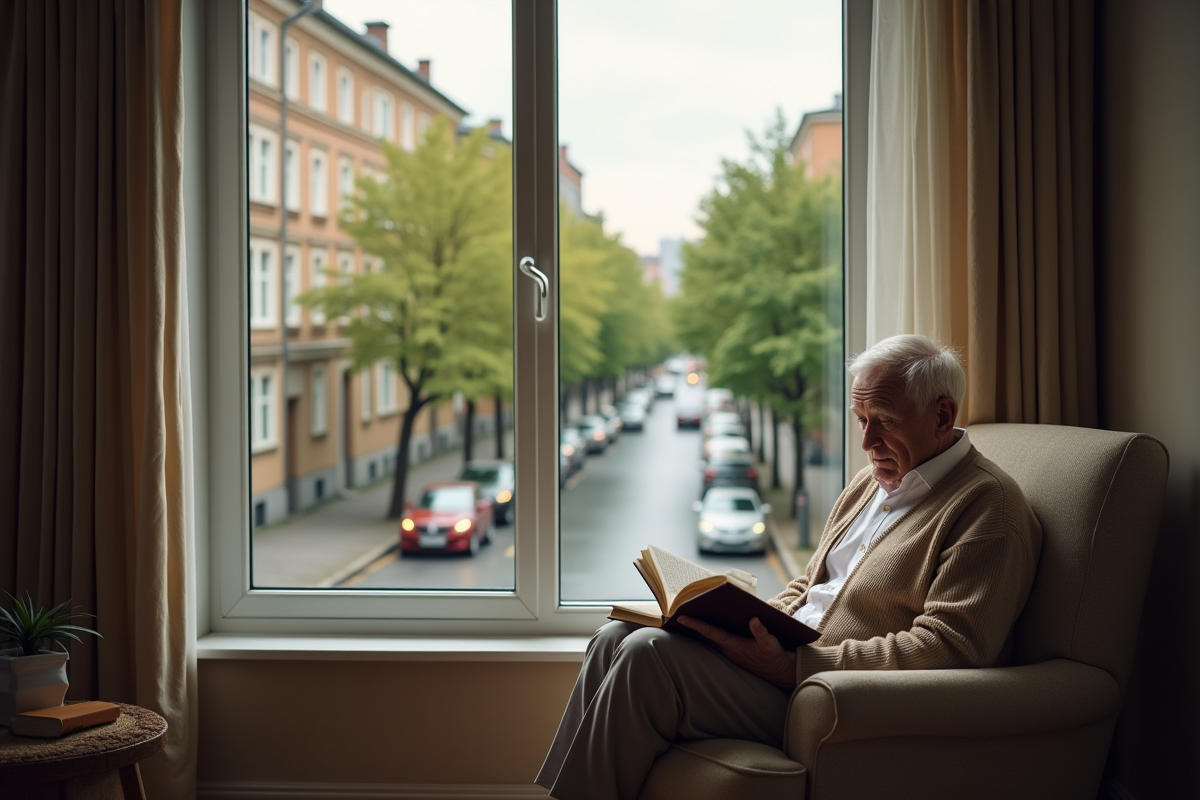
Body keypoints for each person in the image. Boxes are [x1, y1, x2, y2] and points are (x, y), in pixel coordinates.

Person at [534, 334, 1042, 800]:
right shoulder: (875, 480)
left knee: (648, 655)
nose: (866, 443)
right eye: (860, 419)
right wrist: (741, 620)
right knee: (615, 634)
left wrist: (794, 665)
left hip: (827, 692)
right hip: (785, 659)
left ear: (941, 415)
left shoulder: (989, 509)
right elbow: (811, 582)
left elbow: (950, 650)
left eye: (883, 421)